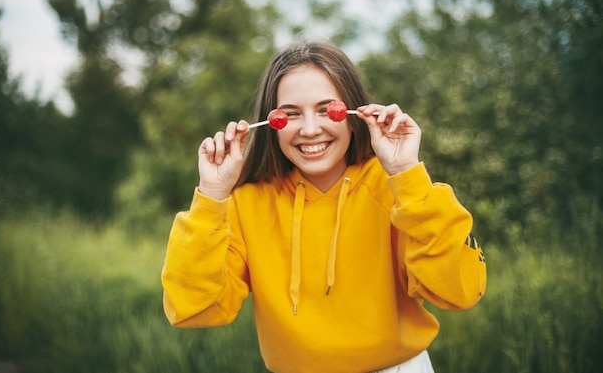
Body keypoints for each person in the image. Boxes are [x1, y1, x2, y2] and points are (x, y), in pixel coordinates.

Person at [161, 38, 487, 373]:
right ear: (270, 123)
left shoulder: (395, 187)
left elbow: (460, 291)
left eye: (326, 110)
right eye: (289, 115)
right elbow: (191, 309)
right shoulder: (247, 203)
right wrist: (211, 195)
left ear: (353, 113)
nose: (310, 129)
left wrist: (407, 174)